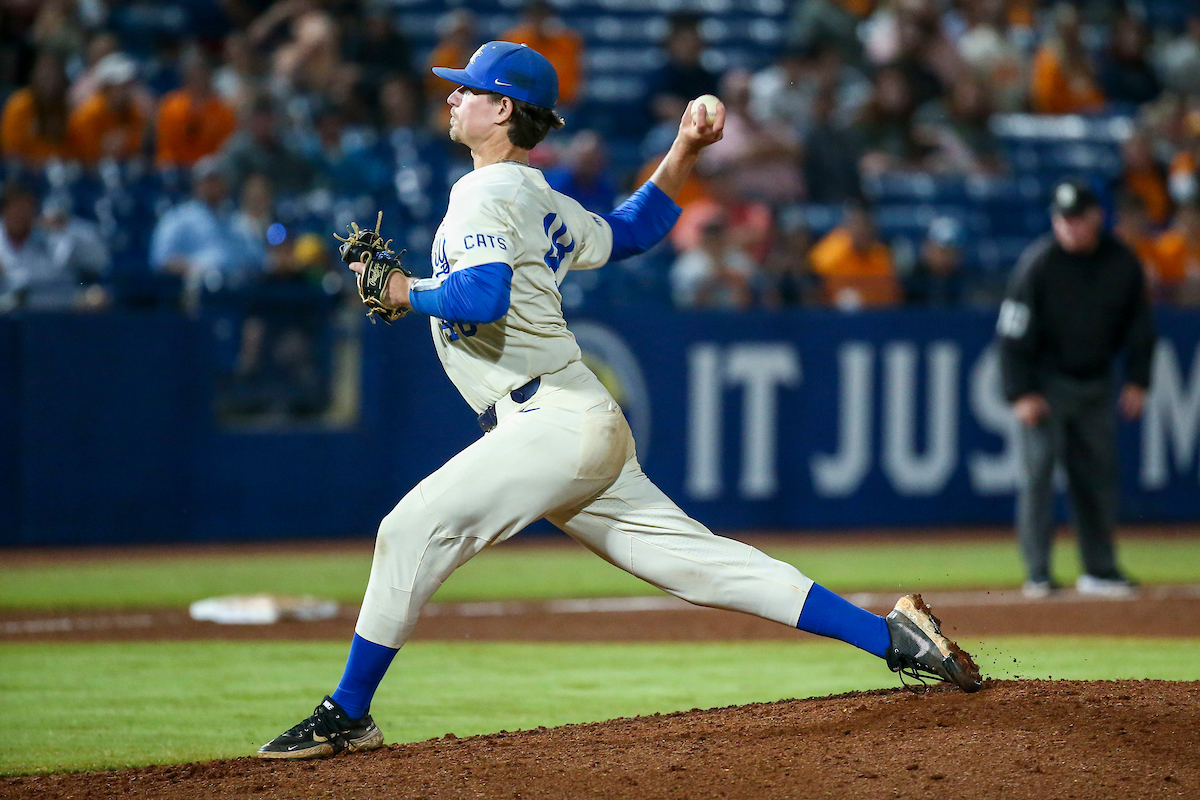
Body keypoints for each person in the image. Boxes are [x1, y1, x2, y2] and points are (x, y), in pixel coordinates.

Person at [254, 41, 981, 761]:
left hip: (550, 420)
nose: (452, 96)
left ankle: (347, 713)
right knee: (706, 565)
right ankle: (893, 639)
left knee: (407, 531)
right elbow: (631, 230)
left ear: (502, 108)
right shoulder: (533, 195)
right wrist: (686, 146)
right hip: (576, 416)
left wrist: (404, 290)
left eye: (468, 89)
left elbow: (483, 293)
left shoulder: (484, 191)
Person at [997, 180, 1156, 599]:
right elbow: (1012, 335)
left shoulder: (1121, 262)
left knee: (1097, 478)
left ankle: (1099, 568)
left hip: (1096, 382)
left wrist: (1139, 379)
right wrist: (1021, 392)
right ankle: (1038, 572)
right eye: (1062, 219)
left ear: (1096, 218)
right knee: (1038, 477)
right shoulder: (1039, 264)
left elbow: (1140, 328)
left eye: (1077, 219)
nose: (1069, 227)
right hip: (1047, 385)